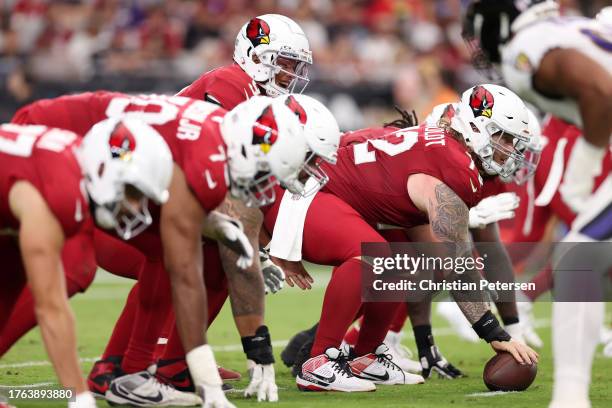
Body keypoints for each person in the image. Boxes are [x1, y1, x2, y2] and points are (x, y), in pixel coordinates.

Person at [11, 92, 310, 407]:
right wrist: (211, 376)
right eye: (267, 172)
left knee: (168, 252)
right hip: (56, 144)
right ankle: (121, 376)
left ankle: (132, 372)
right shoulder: (210, 152)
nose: (267, 185)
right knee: (75, 266)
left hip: (86, 148)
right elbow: (191, 270)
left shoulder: (222, 133)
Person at [262, 84, 540, 392]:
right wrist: (496, 334)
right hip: (302, 191)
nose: (510, 149)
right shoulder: (456, 169)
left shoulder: (448, 151)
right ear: (477, 128)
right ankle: (319, 362)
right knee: (375, 255)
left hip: (319, 190)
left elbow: (440, 257)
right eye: (504, 137)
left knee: (405, 264)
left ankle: (365, 356)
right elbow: (458, 266)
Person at [92, 14, 313, 397]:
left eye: (295, 66)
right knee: (195, 256)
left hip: (147, 206)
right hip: (120, 209)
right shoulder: (231, 85)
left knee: (215, 258)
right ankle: (134, 366)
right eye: (284, 62)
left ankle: (172, 364)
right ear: (256, 55)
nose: (289, 73)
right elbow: (215, 171)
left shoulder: (252, 99)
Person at [463, 2, 612, 407]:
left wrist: (585, 164)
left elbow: (602, 93)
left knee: (578, 257)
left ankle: (569, 396)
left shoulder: (528, 47)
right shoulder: (571, 29)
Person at [0, 120, 173, 408]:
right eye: (132, 193)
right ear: (106, 171)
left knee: (9, 283)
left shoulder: (74, 166)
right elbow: (51, 309)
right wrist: (79, 397)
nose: (134, 206)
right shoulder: (61, 193)